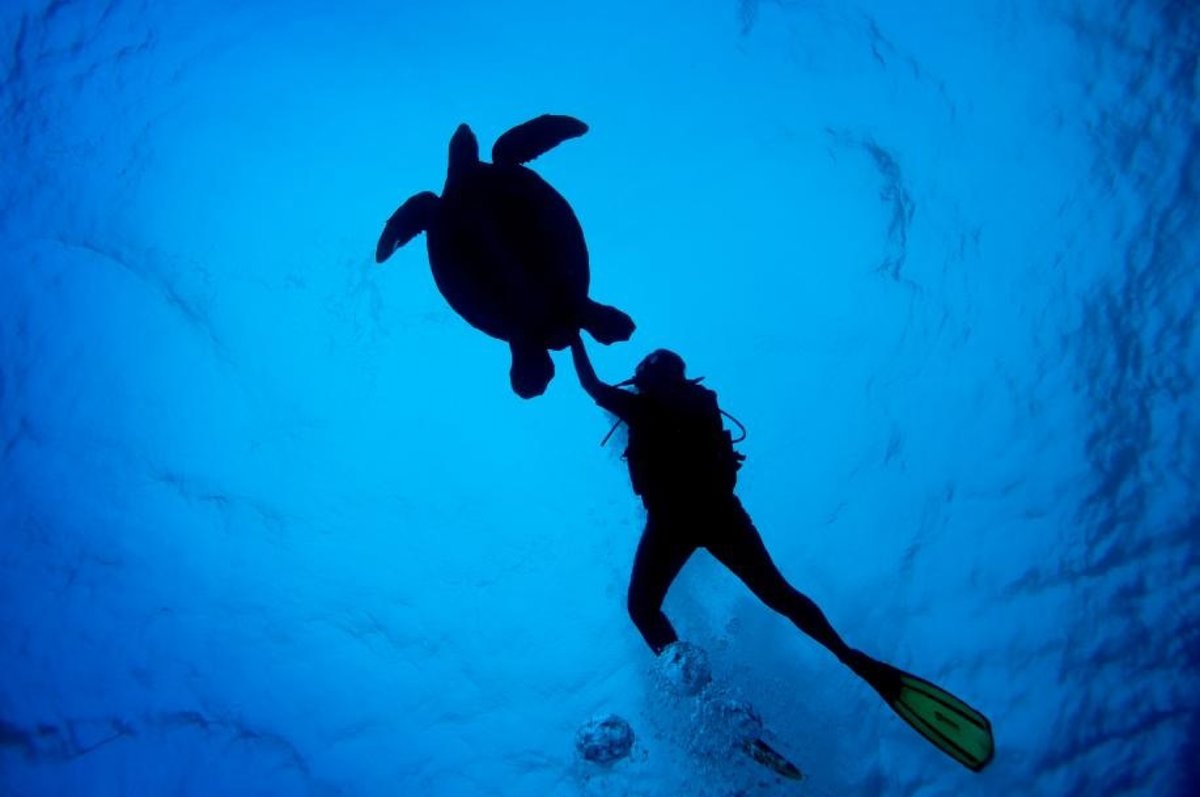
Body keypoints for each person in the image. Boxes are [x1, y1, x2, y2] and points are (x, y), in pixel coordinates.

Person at [568, 335, 995, 773]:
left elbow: (591, 385)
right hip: (718, 515)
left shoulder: (641, 407)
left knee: (643, 608)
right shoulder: (697, 403)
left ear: (647, 381)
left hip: (675, 523)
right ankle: (851, 658)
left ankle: (709, 698)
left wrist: (573, 335)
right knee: (778, 594)